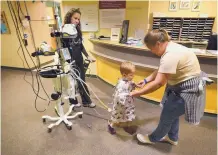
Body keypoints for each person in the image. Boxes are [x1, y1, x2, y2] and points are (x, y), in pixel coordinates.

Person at [130, 29, 207, 145]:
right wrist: (146, 80)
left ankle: (153, 138)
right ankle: (173, 137)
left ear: (158, 44)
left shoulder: (170, 55)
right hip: (182, 86)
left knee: (167, 115)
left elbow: (159, 83)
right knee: (172, 114)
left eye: (152, 49)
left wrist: (138, 93)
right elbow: (162, 69)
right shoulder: (171, 47)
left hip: (188, 91)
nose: (152, 52)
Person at [62, 8, 96, 108]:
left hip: (79, 60)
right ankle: (73, 101)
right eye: (75, 18)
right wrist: (66, 62)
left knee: (81, 81)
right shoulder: (64, 31)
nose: (77, 21)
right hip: (69, 62)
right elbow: (62, 48)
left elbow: (80, 46)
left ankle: (86, 101)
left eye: (78, 19)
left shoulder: (77, 30)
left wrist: (88, 56)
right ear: (69, 18)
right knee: (71, 83)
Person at [108, 61, 136, 134]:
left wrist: (133, 85)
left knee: (129, 114)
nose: (133, 77)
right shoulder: (121, 84)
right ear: (124, 75)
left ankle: (128, 126)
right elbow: (119, 95)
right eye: (131, 75)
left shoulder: (129, 80)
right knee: (117, 116)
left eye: (133, 75)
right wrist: (129, 94)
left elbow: (130, 85)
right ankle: (111, 125)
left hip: (128, 103)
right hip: (121, 104)